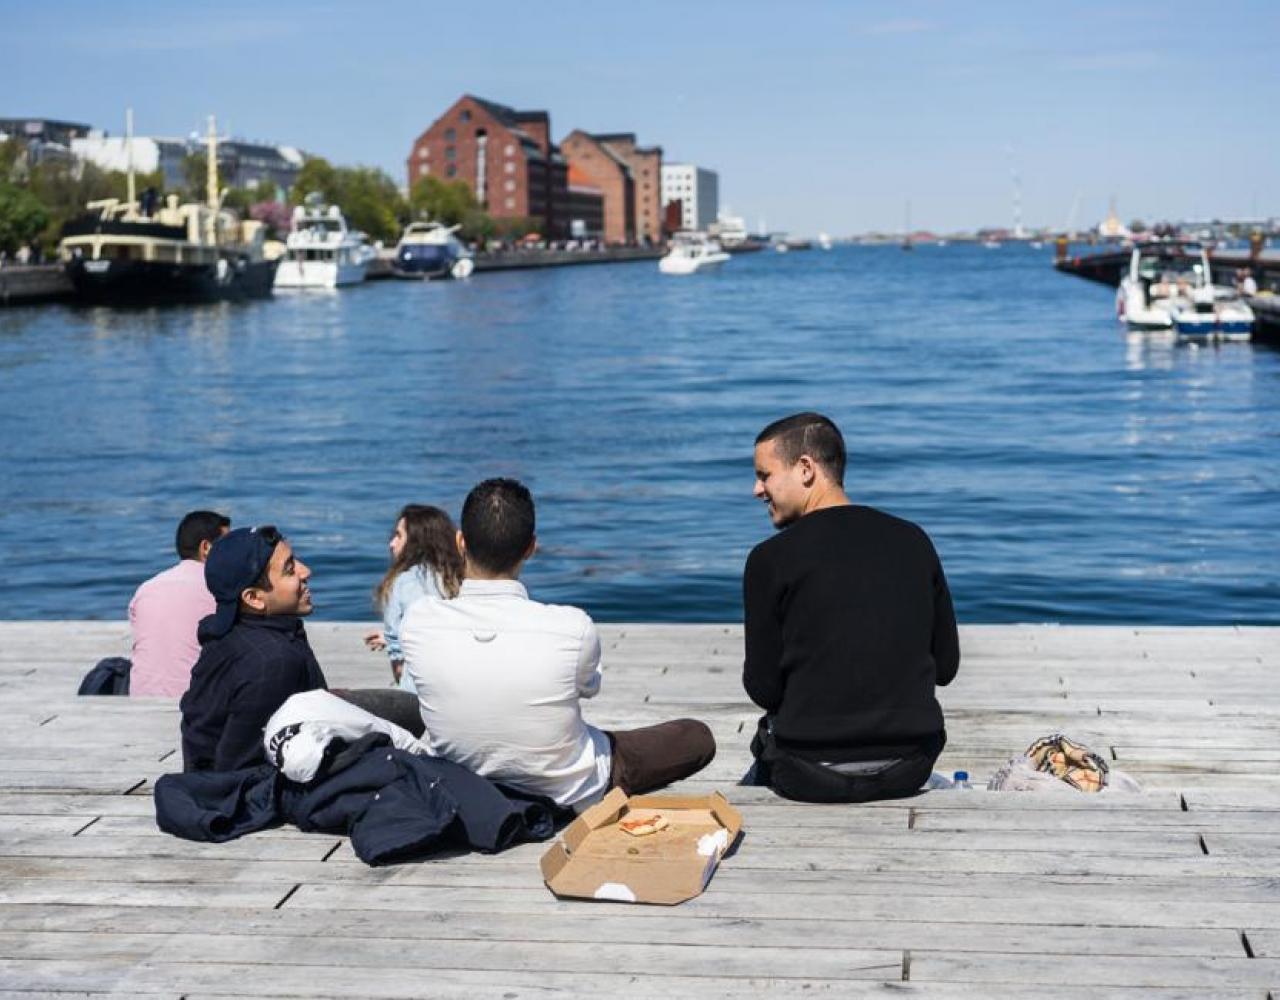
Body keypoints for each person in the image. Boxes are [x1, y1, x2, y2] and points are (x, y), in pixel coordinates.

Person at [400, 478, 716, 810]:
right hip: (566, 791)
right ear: (531, 547)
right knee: (696, 736)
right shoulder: (572, 626)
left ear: (461, 542)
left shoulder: (419, 621)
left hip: (462, 784)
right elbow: (589, 687)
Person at [743, 412, 960, 803]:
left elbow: (764, 689)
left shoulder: (769, 559)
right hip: (910, 766)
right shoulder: (913, 540)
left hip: (808, 773)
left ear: (806, 468)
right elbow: (946, 668)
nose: (757, 489)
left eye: (765, 475)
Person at [180, 525, 327, 772]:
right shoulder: (272, 663)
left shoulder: (228, 633)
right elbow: (238, 768)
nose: (306, 571)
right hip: (242, 799)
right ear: (254, 598)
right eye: (290, 569)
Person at [128, 511, 230, 697]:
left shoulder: (147, 589)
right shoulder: (222, 589)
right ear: (206, 547)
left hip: (141, 697)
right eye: (227, 545)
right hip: (198, 703)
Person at [363, 505, 463, 686]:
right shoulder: (461, 578)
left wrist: (394, 640)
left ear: (417, 541)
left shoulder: (403, 582)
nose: (391, 543)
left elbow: (399, 661)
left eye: (399, 535)